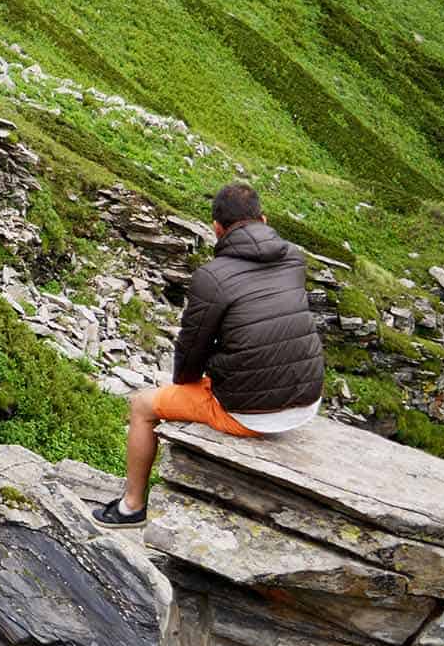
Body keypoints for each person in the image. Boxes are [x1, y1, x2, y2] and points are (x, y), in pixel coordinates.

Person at [93, 183, 325, 528]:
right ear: (263, 219)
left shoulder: (212, 276)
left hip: (250, 413)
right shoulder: (294, 257)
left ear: (217, 228)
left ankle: (131, 507)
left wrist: (187, 385)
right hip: (307, 399)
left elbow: (191, 350)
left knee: (142, 405)